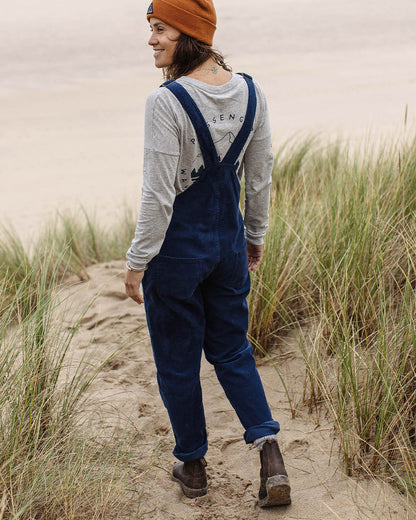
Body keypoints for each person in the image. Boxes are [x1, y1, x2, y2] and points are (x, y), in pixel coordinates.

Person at [125, 0, 291, 507]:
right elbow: (259, 176)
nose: (151, 40)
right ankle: (270, 453)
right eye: (151, 29)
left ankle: (193, 467)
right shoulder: (251, 91)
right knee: (233, 349)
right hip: (228, 243)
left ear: (190, 33)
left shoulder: (167, 101)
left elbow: (158, 195)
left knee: (177, 361)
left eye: (161, 29)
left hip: (176, 253)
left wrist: (136, 262)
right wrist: (254, 235)